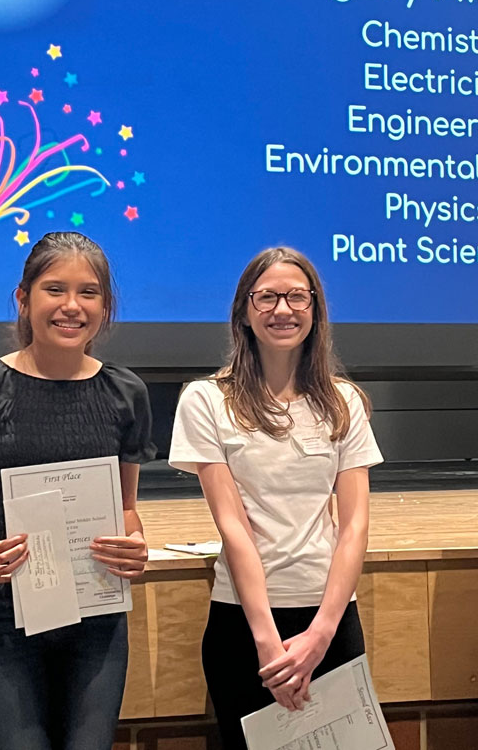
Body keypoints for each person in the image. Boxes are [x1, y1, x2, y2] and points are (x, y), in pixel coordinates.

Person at [0, 231, 156, 750]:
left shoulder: (126, 393)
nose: (71, 306)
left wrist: (135, 544)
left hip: (96, 620)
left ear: (105, 306)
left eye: (89, 292)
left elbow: (126, 509)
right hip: (2, 617)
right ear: (24, 299)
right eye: (55, 289)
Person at [169, 246, 382, 750]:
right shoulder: (206, 399)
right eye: (266, 298)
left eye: (296, 297)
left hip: (330, 622)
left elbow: (353, 527)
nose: (282, 310)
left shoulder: (343, 401)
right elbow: (233, 528)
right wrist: (269, 645)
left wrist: (320, 635)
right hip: (244, 624)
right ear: (244, 310)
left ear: (315, 309)